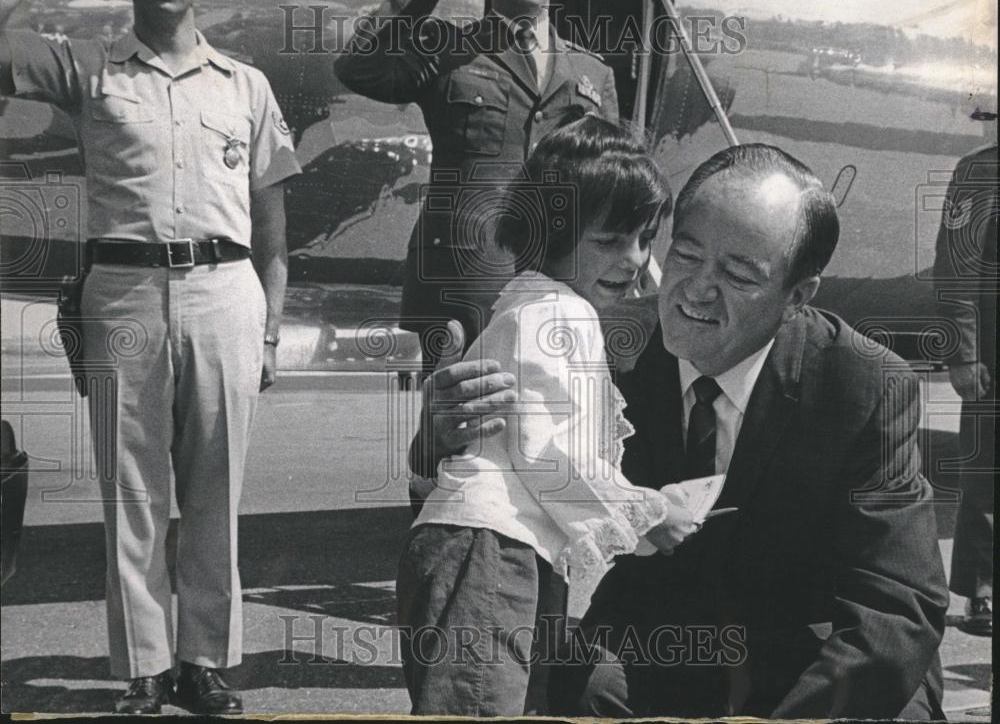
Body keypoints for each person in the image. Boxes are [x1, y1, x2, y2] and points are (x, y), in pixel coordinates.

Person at [414, 143, 949, 718]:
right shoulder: (595, 347)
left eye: (738, 275)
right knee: (588, 687)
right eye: (686, 255)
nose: (695, 288)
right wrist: (442, 436)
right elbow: (495, 494)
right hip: (662, 649)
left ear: (798, 296)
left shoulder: (863, 384)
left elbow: (897, 605)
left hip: (815, 659)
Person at [0, 0, 302, 714]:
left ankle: (204, 660)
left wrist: (272, 330)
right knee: (132, 492)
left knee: (215, 491)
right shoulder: (89, 69)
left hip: (225, 294)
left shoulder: (246, 87)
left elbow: (274, 229)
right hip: (123, 291)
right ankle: (143, 666)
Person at [397, 114, 696, 716]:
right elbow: (551, 454)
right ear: (552, 234)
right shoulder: (563, 316)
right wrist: (646, 512)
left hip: (493, 549)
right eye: (610, 240)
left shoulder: (527, 301)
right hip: (489, 549)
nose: (635, 259)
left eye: (645, 239)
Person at [334, 0, 618, 368]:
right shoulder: (447, 52)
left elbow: (614, 188)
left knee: (552, 429)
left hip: (559, 284)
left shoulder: (593, 74)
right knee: (459, 432)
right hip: (463, 287)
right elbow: (357, 65)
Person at [933, 113, 997, 638]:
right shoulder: (980, 173)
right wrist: (964, 351)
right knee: (990, 468)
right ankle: (983, 593)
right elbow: (958, 266)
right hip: (993, 352)